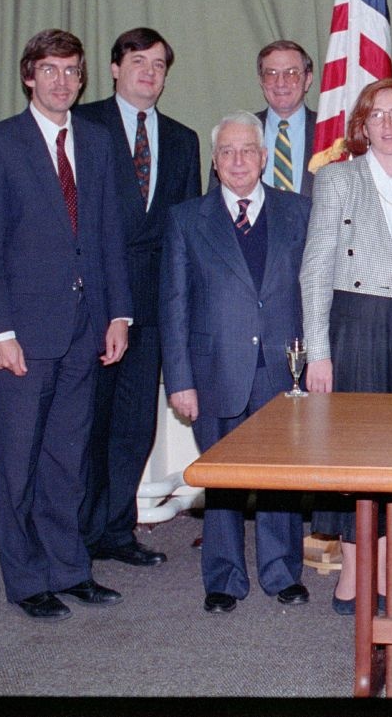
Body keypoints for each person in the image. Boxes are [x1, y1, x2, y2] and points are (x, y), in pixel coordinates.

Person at [0, 28, 132, 620]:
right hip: (25, 338)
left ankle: (69, 567)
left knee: (68, 458)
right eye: (51, 71)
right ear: (29, 76)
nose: (63, 81)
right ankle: (26, 578)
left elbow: (109, 234)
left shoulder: (94, 141)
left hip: (86, 330)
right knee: (18, 460)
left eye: (72, 71)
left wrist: (119, 314)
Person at [161, 112, 312, 614]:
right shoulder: (187, 219)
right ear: (215, 160)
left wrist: (315, 363)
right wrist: (179, 381)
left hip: (281, 369)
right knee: (222, 481)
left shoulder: (299, 213)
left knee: (280, 480)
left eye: (248, 150)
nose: (238, 161)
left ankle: (281, 572)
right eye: (227, 152)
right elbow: (174, 305)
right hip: (214, 371)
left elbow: (312, 296)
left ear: (264, 156)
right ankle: (223, 578)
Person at [299, 79, 392, 615]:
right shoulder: (338, 178)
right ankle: (354, 579)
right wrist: (318, 350)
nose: (388, 124)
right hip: (356, 323)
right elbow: (314, 270)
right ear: (362, 124)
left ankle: (385, 572)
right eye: (377, 115)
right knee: (356, 453)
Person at [73, 27, 201, 568]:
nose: (149, 72)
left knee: (133, 425)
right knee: (86, 423)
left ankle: (116, 530)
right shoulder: (82, 126)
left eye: (159, 65)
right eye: (138, 61)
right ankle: (75, 534)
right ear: (113, 68)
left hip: (152, 304)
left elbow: (186, 229)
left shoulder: (181, 138)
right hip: (93, 302)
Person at [256, 40, 318, 196]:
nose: (281, 83)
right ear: (261, 81)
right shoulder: (239, 133)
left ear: (308, 79)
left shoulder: (331, 133)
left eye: (291, 74)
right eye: (271, 74)